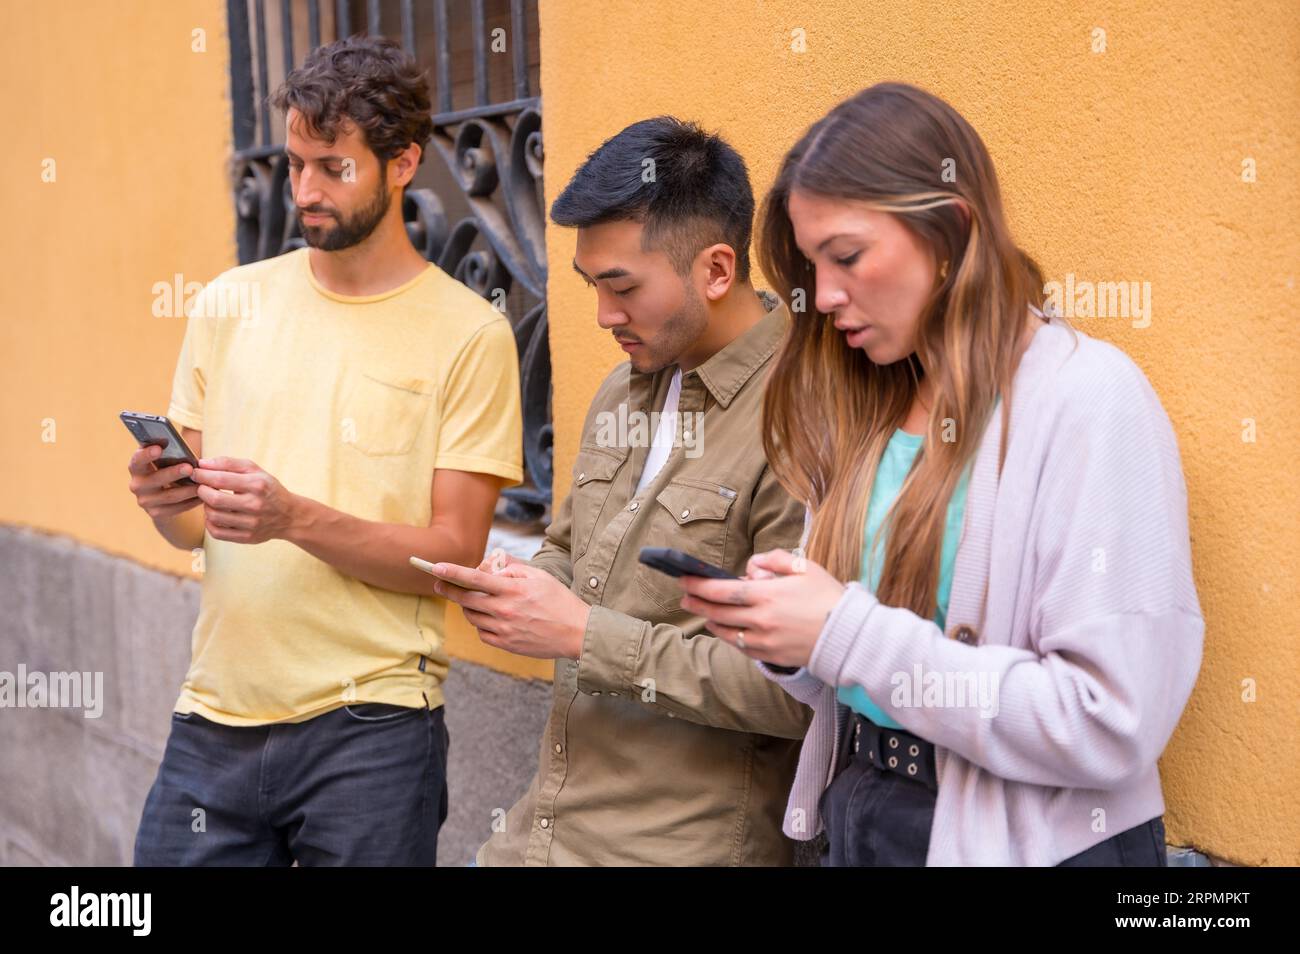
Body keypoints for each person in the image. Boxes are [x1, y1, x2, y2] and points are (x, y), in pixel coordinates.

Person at [680, 82, 1203, 866]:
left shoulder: (1090, 400)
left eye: (848, 257)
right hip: (857, 821)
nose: (822, 297)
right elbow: (864, 673)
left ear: (951, 228)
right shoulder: (869, 409)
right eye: (812, 264)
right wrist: (791, 638)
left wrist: (841, 631)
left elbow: (1109, 721)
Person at [128, 36, 523, 866]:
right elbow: (193, 528)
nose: (304, 190)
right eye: (295, 162)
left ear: (404, 161)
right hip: (215, 717)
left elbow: (456, 556)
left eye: (332, 167)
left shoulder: (470, 334)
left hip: (372, 732)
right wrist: (168, 504)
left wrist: (295, 517)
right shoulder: (230, 302)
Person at [432, 117, 812, 866]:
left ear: (715, 270)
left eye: (622, 287)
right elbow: (570, 550)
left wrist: (580, 634)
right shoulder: (621, 390)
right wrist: (519, 589)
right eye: (591, 286)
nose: (604, 315)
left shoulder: (801, 414)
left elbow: (795, 692)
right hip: (537, 839)